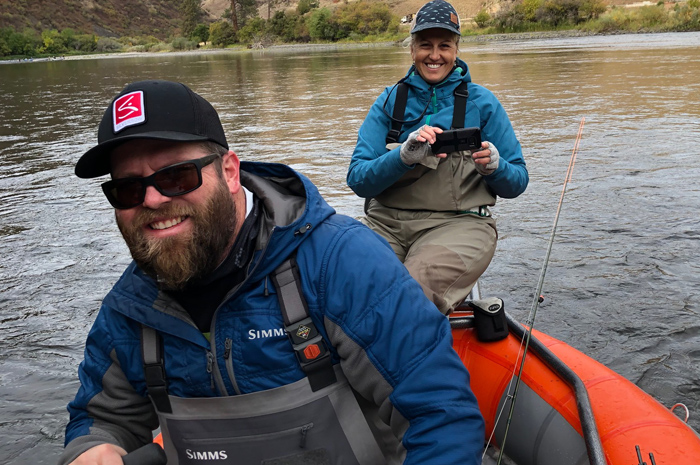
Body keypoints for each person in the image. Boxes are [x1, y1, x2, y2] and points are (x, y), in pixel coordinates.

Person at [60, 80, 485, 465]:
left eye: (176, 177)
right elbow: (101, 419)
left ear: (229, 171)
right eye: (128, 188)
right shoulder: (129, 310)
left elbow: (439, 414)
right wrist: (95, 446)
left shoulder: (340, 262)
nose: (151, 200)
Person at [347, 0, 528, 315]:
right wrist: (403, 156)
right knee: (347, 283)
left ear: (456, 49)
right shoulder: (388, 102)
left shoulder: (483, 103)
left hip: (459, 225)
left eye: (444, 45)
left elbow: (517, 182)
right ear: (412, 48)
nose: (434, 55)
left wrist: (495, 167)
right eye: (425, 45)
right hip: (385, 222)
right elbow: (358, 179)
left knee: (407, 295)